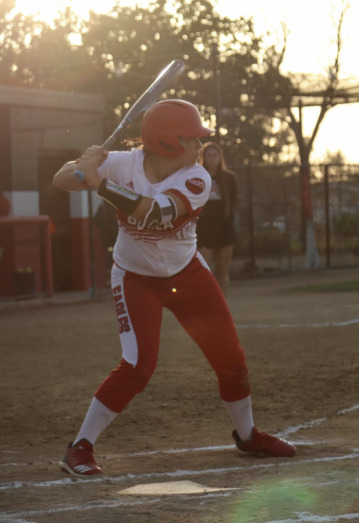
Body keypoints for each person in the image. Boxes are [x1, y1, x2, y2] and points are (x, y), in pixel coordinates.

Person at [52, 99, 295, 477]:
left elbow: (153, 211)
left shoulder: (197, 178)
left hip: (188, 275)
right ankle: (80, 447)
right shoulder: (121, 163)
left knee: (231, 361)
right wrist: (81, 166)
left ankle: (248, 437)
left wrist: (98, 183)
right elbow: (59, 180)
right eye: (191, 138)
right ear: (166, 143)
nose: (199, 146)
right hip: (135, 278)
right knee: (137, 366)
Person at [196, 142, 238, 296]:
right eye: (209, 155)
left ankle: (223, 307)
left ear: (220, 157)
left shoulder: (229, 178)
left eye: (215, 155)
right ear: (203, 158)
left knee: (223, 270)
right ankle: (208, 305)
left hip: (225, 228)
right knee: (205, 270)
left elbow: (233, 201)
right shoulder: (197, 177)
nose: (212, 159)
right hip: (205, 228)